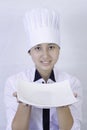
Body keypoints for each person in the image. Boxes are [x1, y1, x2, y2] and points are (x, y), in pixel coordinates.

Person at [4, 8, 82, 130]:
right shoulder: (14, 83)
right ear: (30, 52)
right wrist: (24, 103)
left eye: (51, 47)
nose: (45, 55)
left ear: (59, 50)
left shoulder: (72, 83)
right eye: (38, 48)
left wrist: (63, 104)